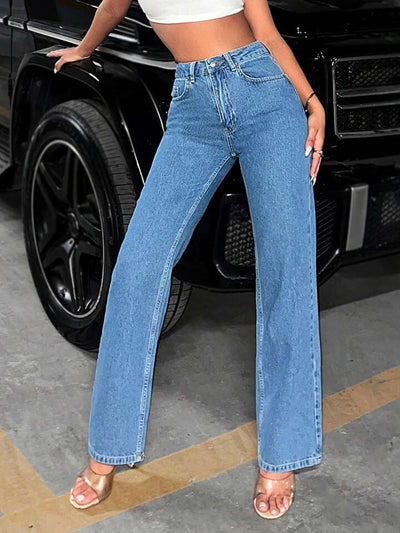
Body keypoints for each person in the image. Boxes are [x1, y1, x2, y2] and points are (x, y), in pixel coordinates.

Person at [47, 0, 325, 520]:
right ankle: (108, 448)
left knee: (286, 274)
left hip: (264, 94)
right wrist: (85, 47)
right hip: (192, 106)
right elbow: (113, 4)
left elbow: (265, 31)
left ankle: (282, 456)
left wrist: (312, 103)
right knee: (136, 269)